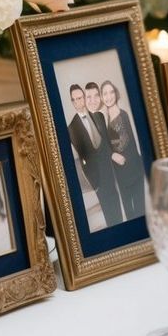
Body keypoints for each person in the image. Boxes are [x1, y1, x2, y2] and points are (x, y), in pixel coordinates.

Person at [67, 83, 123, 228]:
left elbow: (108, 143)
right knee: (108, 210)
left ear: (84, 97)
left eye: (81, 97)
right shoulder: (71, 128)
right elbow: (83, 155)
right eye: (75, 99)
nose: (79, 102)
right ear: (72, 102)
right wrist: (93, 182)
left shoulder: (98, 116)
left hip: (109, 169)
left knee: (116, 203)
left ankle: (122, 227)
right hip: (96, 175)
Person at [101, 79, 145, 220]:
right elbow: (104, 147)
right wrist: (112, 155)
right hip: (119, 173)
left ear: (116, 94)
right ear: (101, 97)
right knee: (129, 211)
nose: (109, 96)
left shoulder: (124, 114)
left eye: (111, 92)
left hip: (134, 168)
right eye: (105, 93)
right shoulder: (103, 120)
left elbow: (133, 143)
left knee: (140, 208)